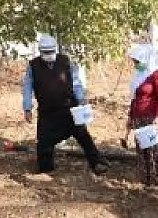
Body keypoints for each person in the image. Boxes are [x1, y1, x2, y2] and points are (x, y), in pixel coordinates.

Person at [22, 35, 108, 175]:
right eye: (46, 52)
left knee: (83, 135)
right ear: (40, 52)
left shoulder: (66, 62)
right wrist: (27, 107)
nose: (49, 55)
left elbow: (76, 82)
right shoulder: (33, 66)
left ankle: (97, 163)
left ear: (55, 50)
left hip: (69, 108)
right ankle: (46, 169)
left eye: (51, 52)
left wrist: (81, 99)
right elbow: (27, 87)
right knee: (44, 142)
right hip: (47, 111)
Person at [126, 43, 158, 187]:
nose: (135, 64)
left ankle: (156, 181)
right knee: (143, 150)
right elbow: (135, 98)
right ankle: (146, 180)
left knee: (155, 151)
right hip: (140, 119)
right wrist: (130, 117)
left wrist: (157, 117)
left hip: (154, 119)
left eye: (137, 61)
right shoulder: (139, 75)